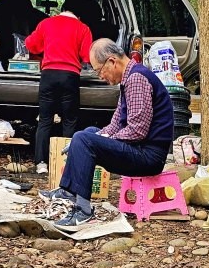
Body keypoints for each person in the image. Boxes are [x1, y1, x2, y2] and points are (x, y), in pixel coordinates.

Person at [47, 37, 174, 228]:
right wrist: (95, 138)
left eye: (99, 71)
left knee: (84, 139)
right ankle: (69, 192)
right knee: (87, 133)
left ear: (112, 61)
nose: (100, 77)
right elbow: (114, 125)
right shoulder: (128, 80)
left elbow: (137, 131)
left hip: (148, 156)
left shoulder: (137, 79)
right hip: (139, 149)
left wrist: (95, 141)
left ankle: (83, 211)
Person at [24, 2, 93, 175]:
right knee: (69, 120)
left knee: (45, 120)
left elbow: (31, 44)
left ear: (62, 11)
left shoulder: (46, 23)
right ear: (79, 16)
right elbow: (87, 56)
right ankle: (65, 164)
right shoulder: (83, 28)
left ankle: (41, 163)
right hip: (70, 77)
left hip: (48, 75)